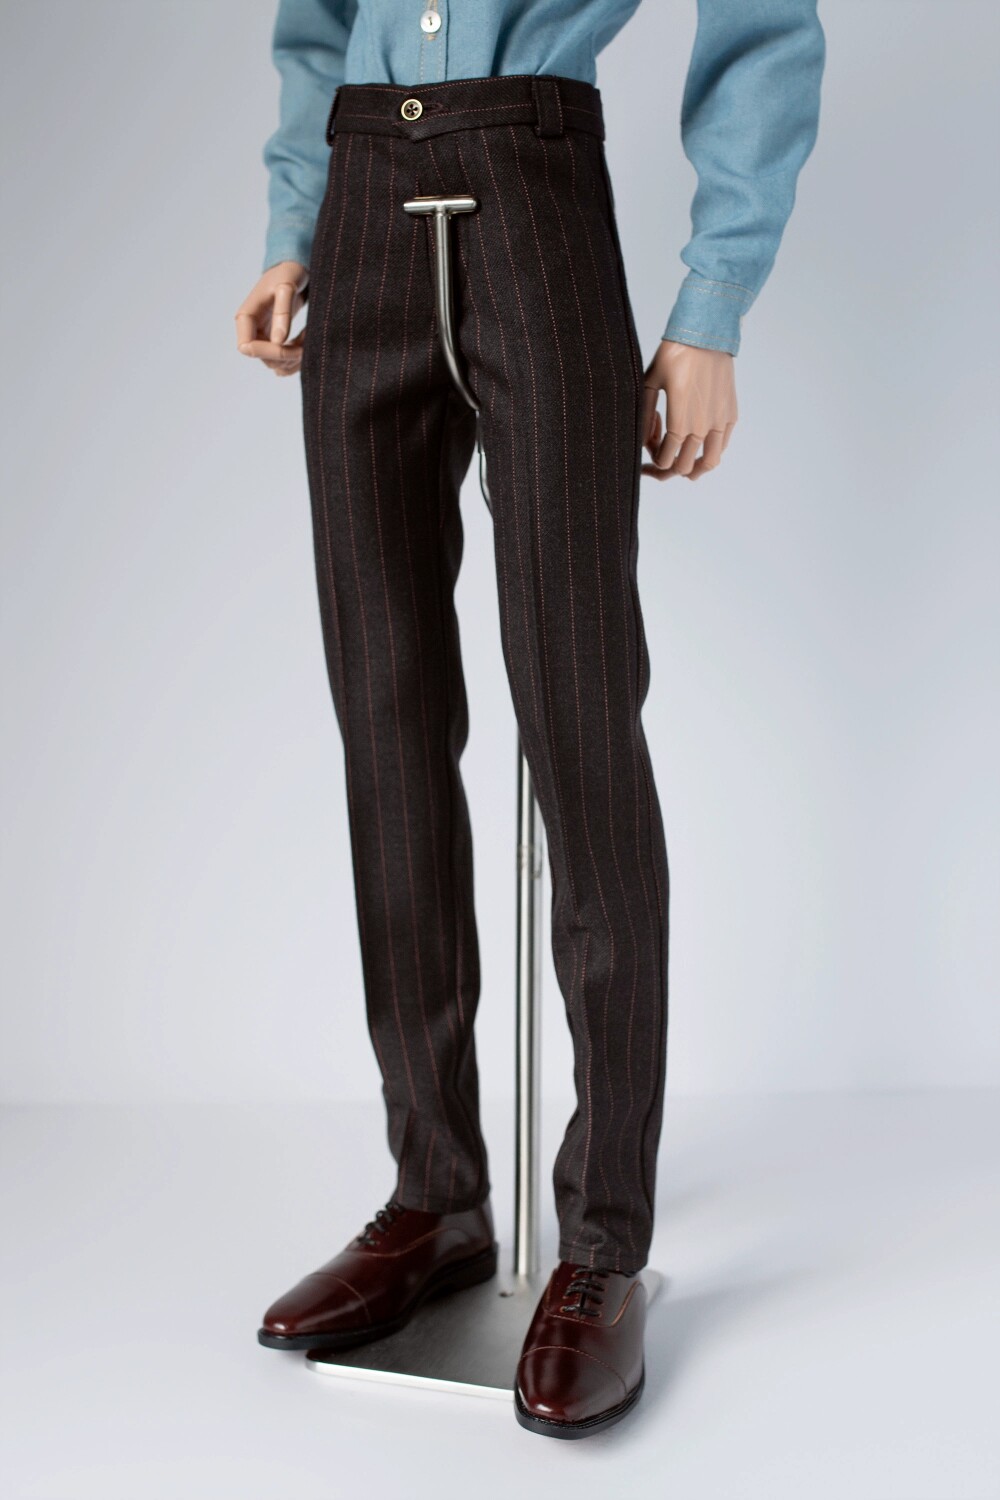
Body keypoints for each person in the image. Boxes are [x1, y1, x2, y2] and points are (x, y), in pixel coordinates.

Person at [237, 0, 825, 1438]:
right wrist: (292, 223)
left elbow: (764, 23)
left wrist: (711, 305)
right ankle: (435, 1198)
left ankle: (604, 1239)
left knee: (581, 725)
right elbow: (316, 25)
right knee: (384, 724)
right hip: (362, 198)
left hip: (535, 190)